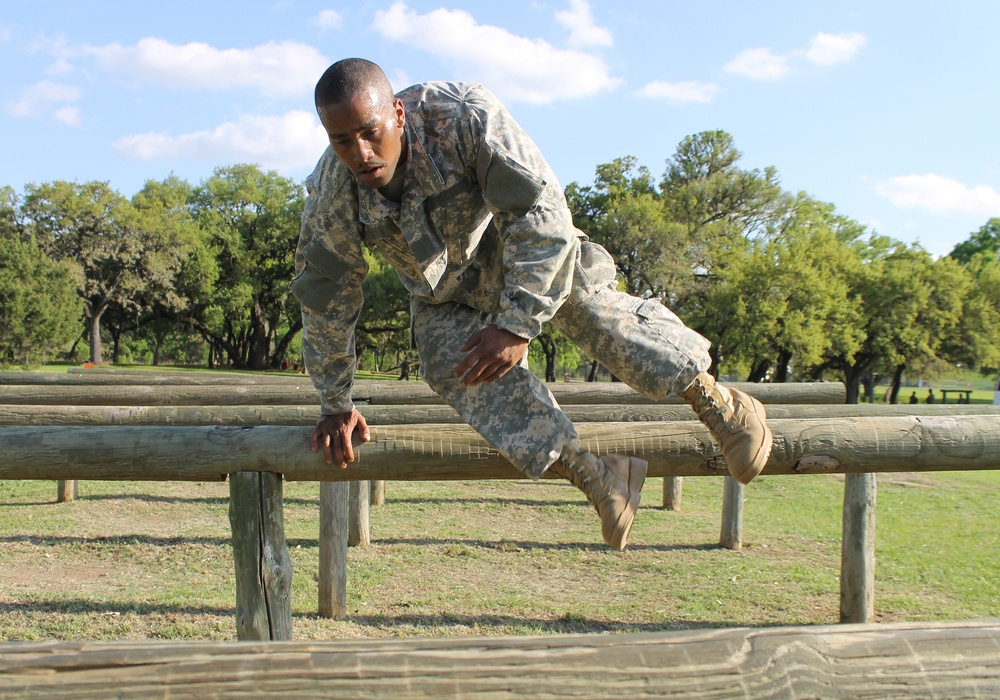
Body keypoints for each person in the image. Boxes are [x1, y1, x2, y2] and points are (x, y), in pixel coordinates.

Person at [293, 58, 772, 550]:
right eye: (342, 141)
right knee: (446, 361)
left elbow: (542, 214)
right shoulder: (333, 189)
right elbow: (326, 295)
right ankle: (599, 474)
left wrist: (517, 324)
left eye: (370, 132)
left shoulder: (463, 117)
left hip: (518, 252)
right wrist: (335, 404)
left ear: (397, 113)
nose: (361, 153)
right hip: (443, 292)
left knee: (581, 304)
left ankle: (722, 405)